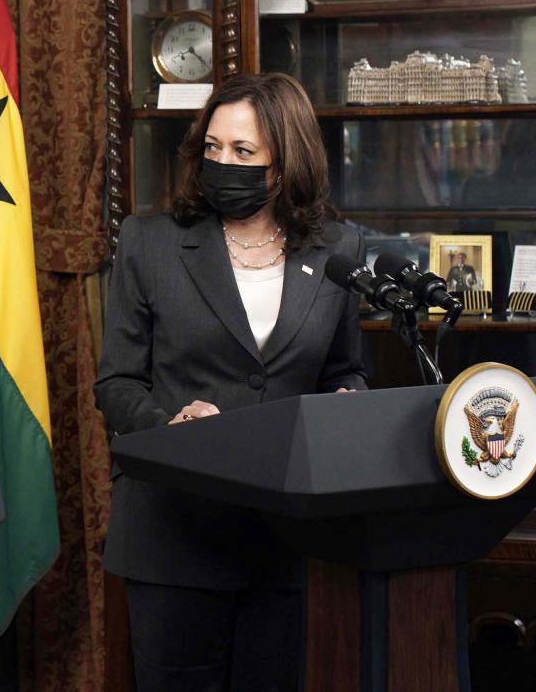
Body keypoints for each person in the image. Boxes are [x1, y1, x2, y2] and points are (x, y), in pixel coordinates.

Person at [94, 73, 367, 692]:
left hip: (288, 537)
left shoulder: (336, 248)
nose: (223, 163)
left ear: (285, 161)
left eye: (243, 153)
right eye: (213, 147)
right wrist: (170, 425)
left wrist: (349, 402)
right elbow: (115, 383)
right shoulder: (151, 242)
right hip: (175, 533)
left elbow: (345, 368)